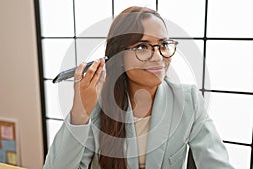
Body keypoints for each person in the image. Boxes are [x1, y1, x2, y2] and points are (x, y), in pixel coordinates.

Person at [43, 6, 234, 169]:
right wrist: (80, 113)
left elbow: (216, 163)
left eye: (163, 45)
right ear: (118, 56)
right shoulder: (97, 103)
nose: (158, 58)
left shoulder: (188, 100)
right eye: (143, 47)